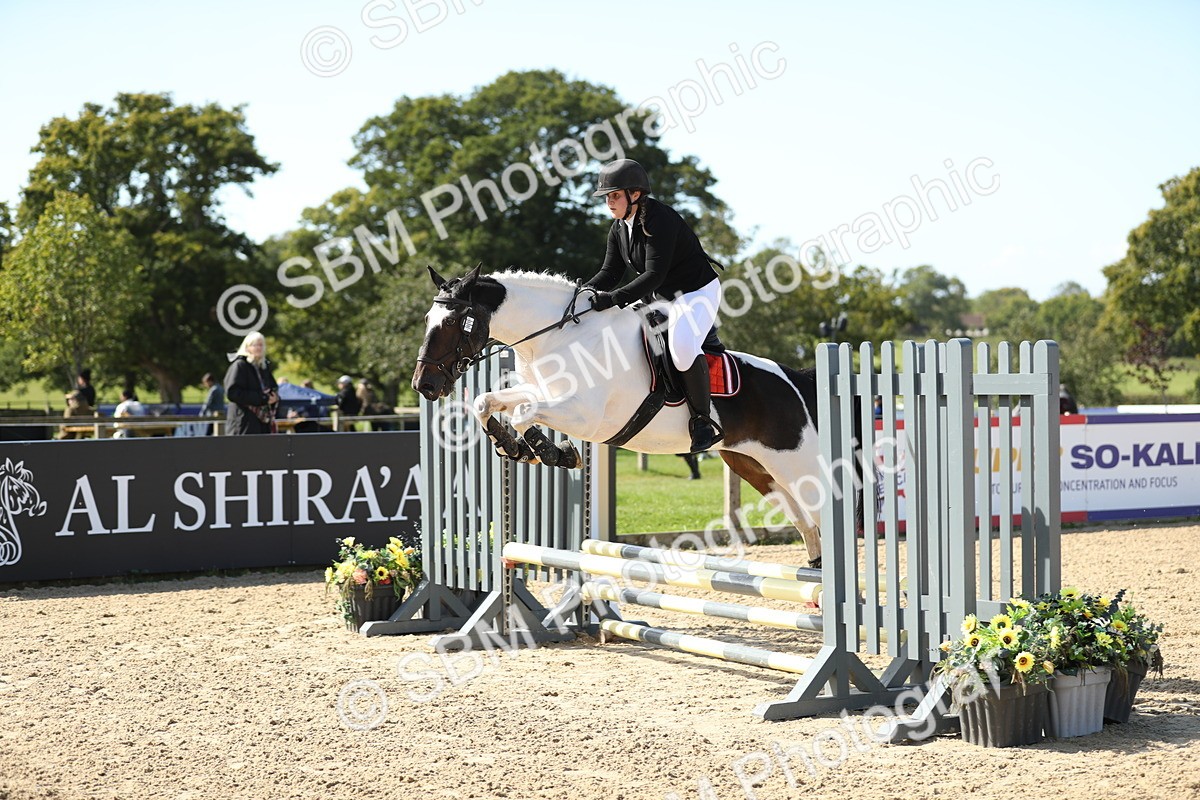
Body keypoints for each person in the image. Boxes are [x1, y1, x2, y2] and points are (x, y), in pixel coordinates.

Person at [584, 158, 725, 453]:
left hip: (695, 292)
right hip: (658, 297)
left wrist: (612, 299)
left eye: (614, 196)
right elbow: (610, 273)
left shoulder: (660, 219)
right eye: (607, 197)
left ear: (634, 195)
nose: (609, 203)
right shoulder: (619, 228)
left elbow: (653, 275)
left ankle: (703, 421)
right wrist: (582, 294)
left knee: (683, 347)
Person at [223, 331, 279, 435]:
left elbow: (273, 387)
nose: (258, 348)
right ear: (247, 347)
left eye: (261, 345)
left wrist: (274, 397)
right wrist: (262, 398)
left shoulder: (263, 366)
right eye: (255, 345)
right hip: (243, 424)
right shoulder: (239, 365)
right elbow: (233, 393)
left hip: (262, 423)